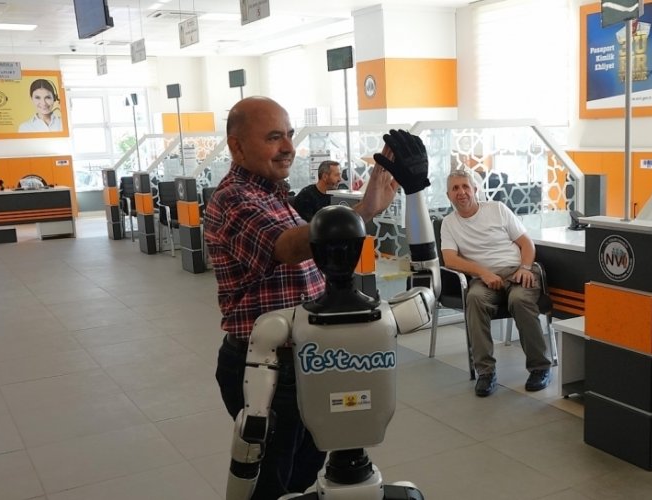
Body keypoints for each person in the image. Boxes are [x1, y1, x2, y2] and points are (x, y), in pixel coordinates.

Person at [204, 96, 424, 499]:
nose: (288, 146)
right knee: (269, 481)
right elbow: (287, 247)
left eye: (289, 135)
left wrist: (371, 203)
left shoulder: (274, 194)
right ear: (237, 146)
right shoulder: (234, 198)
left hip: (306, 360)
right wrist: (360, 212)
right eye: (274, 137)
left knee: (303, 473)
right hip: (265, 369)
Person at [439, 169, 552, 397]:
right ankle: (486, 373)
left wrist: (525, 268)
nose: (461, 192)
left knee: (519, 300)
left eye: (465, 186)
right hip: (484, 279)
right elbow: (450, 259)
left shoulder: (497, 209)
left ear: (475, 190)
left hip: (516, 271)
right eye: (455, 188)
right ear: (448, 195)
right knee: (474, 298)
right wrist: (483, 273)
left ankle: (540, 368)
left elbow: (527, 244)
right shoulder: (449, 223)